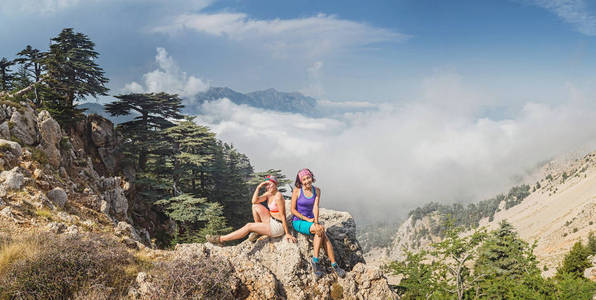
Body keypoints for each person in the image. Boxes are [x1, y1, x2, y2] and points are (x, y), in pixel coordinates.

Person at [206, 175, 296, 245]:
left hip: (277, 226)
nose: (268, 186)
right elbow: (254, 201)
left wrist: (287, 233)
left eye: (270, 184)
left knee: (249, 226)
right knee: (255, 206)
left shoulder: (278, 196)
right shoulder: (269, 194)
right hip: (271, 220)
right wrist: (258, 187)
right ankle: (259, 231)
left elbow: (283, 216)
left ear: (275, 184)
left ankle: (221, 239)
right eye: (266, 185)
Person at [291, 168, 345, 278]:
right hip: (299, 221)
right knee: (320, 230)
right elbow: (293, 210)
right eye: (304, 179)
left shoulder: (317, 190)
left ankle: (334, 264)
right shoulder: (297, 191)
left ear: (312, 177)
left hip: (311, 221)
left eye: (308, 178)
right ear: (300, 181)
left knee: (323, 235)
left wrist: (315, 221)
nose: (307, 181)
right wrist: (307, 219)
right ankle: (316, 261)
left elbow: (315, 206)